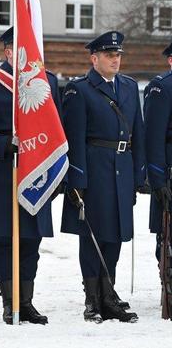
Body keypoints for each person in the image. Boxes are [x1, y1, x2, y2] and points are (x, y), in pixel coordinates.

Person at [0, 26, 59, 325]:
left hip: (38, 167)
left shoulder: (47, 82)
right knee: (8, 238)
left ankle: (27, 301)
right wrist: (1, 143)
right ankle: (10, 302)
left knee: (32, 238)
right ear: (8, 52)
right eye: (19, 50)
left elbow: (56, 127)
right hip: (5, 169)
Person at [61, 31, 144, 323]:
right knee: (93, 235)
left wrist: (138, 175)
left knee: (116, 235)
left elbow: (139, 133)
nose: (115, 60)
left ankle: (109, 295)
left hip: (122, 167)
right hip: (94, 170)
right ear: (94, 58)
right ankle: (92, 298)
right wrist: (77, 180)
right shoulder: (79, 90)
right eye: (110, 55)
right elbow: (74, 139)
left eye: (118, 55)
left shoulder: (130, 87)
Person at [143, 40, 172, 277]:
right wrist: (158, 180)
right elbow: (153, 138)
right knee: (168, 237)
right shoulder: (162, 88)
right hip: (170, 174)